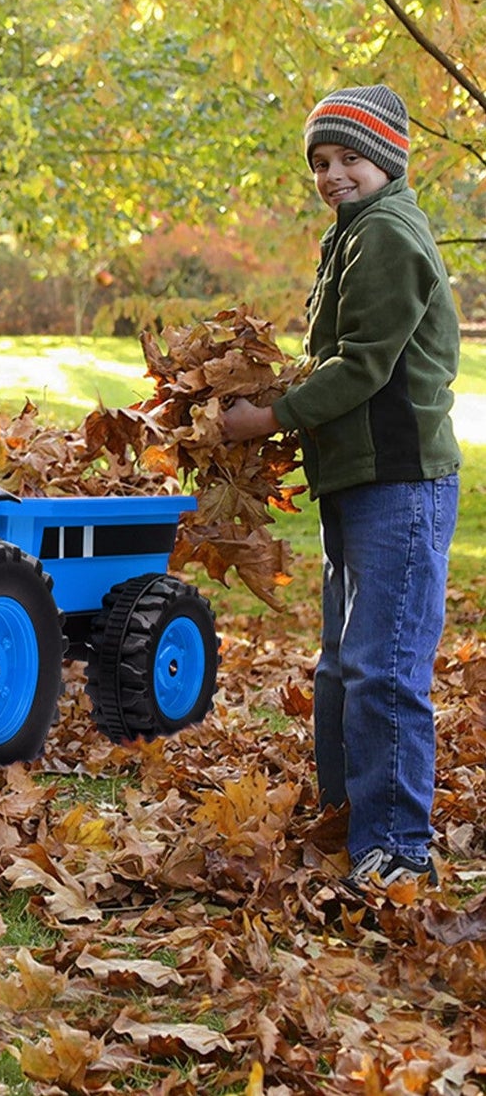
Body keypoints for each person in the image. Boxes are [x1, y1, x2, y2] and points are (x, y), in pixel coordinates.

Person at [221, 84, 460, 895]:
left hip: (400, 479)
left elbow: (362, 366)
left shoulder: (388, 233)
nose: (331, 174)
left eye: (348, 157)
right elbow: (331, 354)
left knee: (383, 666)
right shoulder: (350, 235)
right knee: (340, 664)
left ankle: (395, 848)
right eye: (320, 161)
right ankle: (343, 813)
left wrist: (269, 417)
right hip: (355, 480)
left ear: (386, 159)